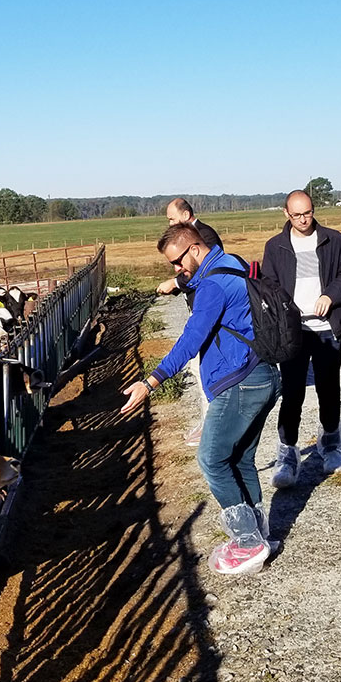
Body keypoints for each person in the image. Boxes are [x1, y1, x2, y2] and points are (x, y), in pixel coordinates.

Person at [121, 222, 280, 575]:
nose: (176, 271)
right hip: (263, 374)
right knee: (239, 458)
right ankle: (259, 535)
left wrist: (151, 382)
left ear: (194, 248)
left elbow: (190, 340)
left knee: (211, 458)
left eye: (178, 262)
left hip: (240, 380)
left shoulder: (211, 287)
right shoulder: (234, 264)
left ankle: (247, 542)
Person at [259, 189, 341, 486]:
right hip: (293, 333)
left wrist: (331, 295)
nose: (303, 219)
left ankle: (331, 447)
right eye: (297, 214)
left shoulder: (333, 240)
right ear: (286, 214)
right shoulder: (275, 247)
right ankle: (288, 456)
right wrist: (283, 313)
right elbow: (269, 287)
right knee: (292, 394)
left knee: (329, 390)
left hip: (327, 329)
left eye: (308, 213)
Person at [155, 198, 222, 447]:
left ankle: (211, 426)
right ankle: (207, 422)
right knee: (198, 366)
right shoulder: (195, 235)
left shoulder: (203, 235)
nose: (170, 223)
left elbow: (204, 271)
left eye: (172, 219)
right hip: (200, 306)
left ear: (185, 214)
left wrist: (174, 283)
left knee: (202, 366)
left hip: (207, 309)